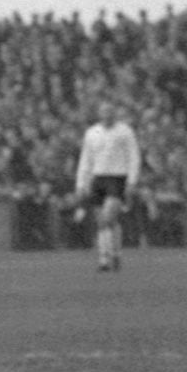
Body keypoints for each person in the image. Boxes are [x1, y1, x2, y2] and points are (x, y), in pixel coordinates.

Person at [71, 111, 142, 272]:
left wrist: (132, 181)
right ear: (100, 114)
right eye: (103, 112)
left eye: (109, 112)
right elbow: (86, 160)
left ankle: (105, 259)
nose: (107, 116)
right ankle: (115, 254)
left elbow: (134, 156)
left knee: (106, 218)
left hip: (117, 178)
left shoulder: (125, 131)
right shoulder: (92, 133)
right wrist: (80, 184)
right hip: (98, 179)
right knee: (105, 222)